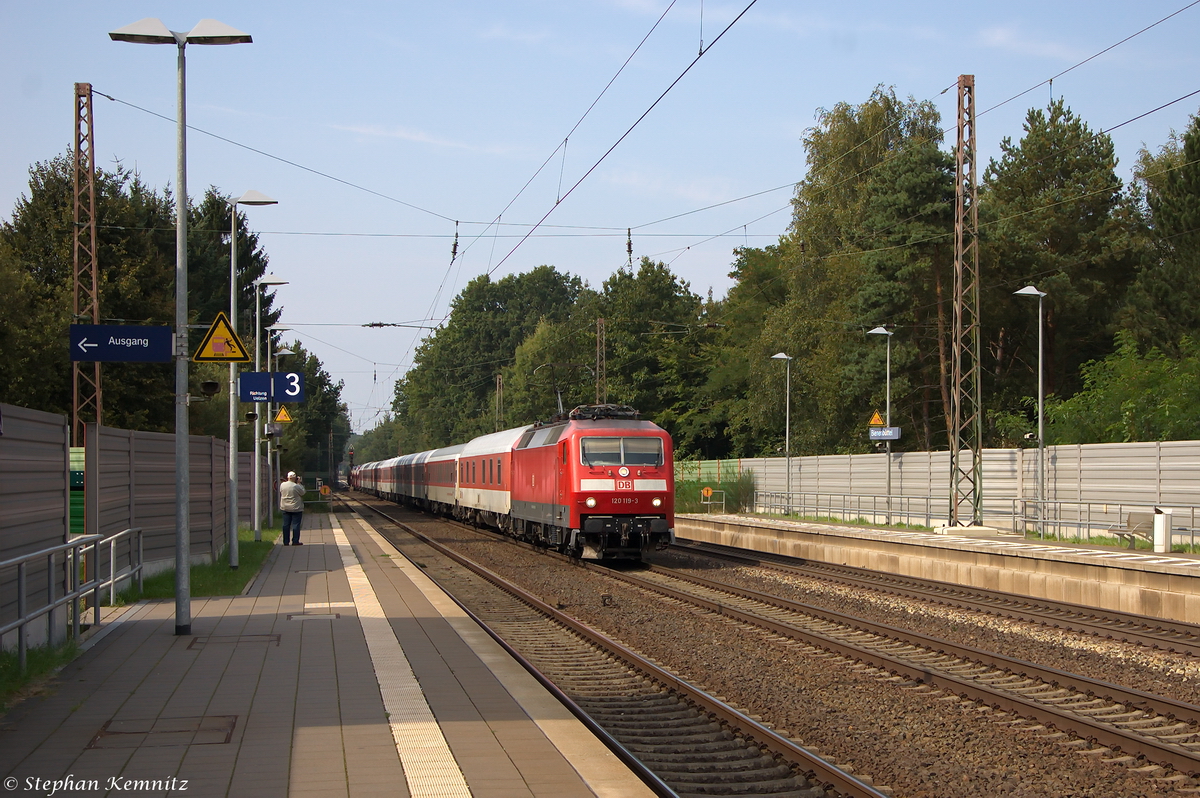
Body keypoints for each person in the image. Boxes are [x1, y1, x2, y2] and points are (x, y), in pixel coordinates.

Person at [279, 471, 305, 545]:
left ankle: (286, 541)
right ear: (295, 478)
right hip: (296, 507)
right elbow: (303, 492)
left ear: (287, 477)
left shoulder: (282, 485)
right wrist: (299, 483)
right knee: (296, 525)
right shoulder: (296, 486)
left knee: (286, 525)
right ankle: (295, 541)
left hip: (285, 507)